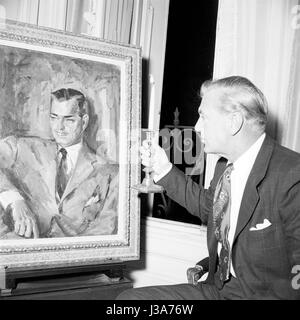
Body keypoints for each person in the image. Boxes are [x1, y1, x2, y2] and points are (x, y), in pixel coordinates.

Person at [117, 76, 300, 300]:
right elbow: (208, 208)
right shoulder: (225, 167)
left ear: (234, 122)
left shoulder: (293, 175)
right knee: (130, 300)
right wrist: (162, 167)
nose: (196, 127)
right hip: (218, 290)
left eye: (203, 117)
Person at [0, 88, 118, 239]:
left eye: (69, 119)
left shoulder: (109, 171)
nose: (59, 127)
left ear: (84, 121)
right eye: (54, 117)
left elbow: (105, 230)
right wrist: (14, 200)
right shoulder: (22, 148)